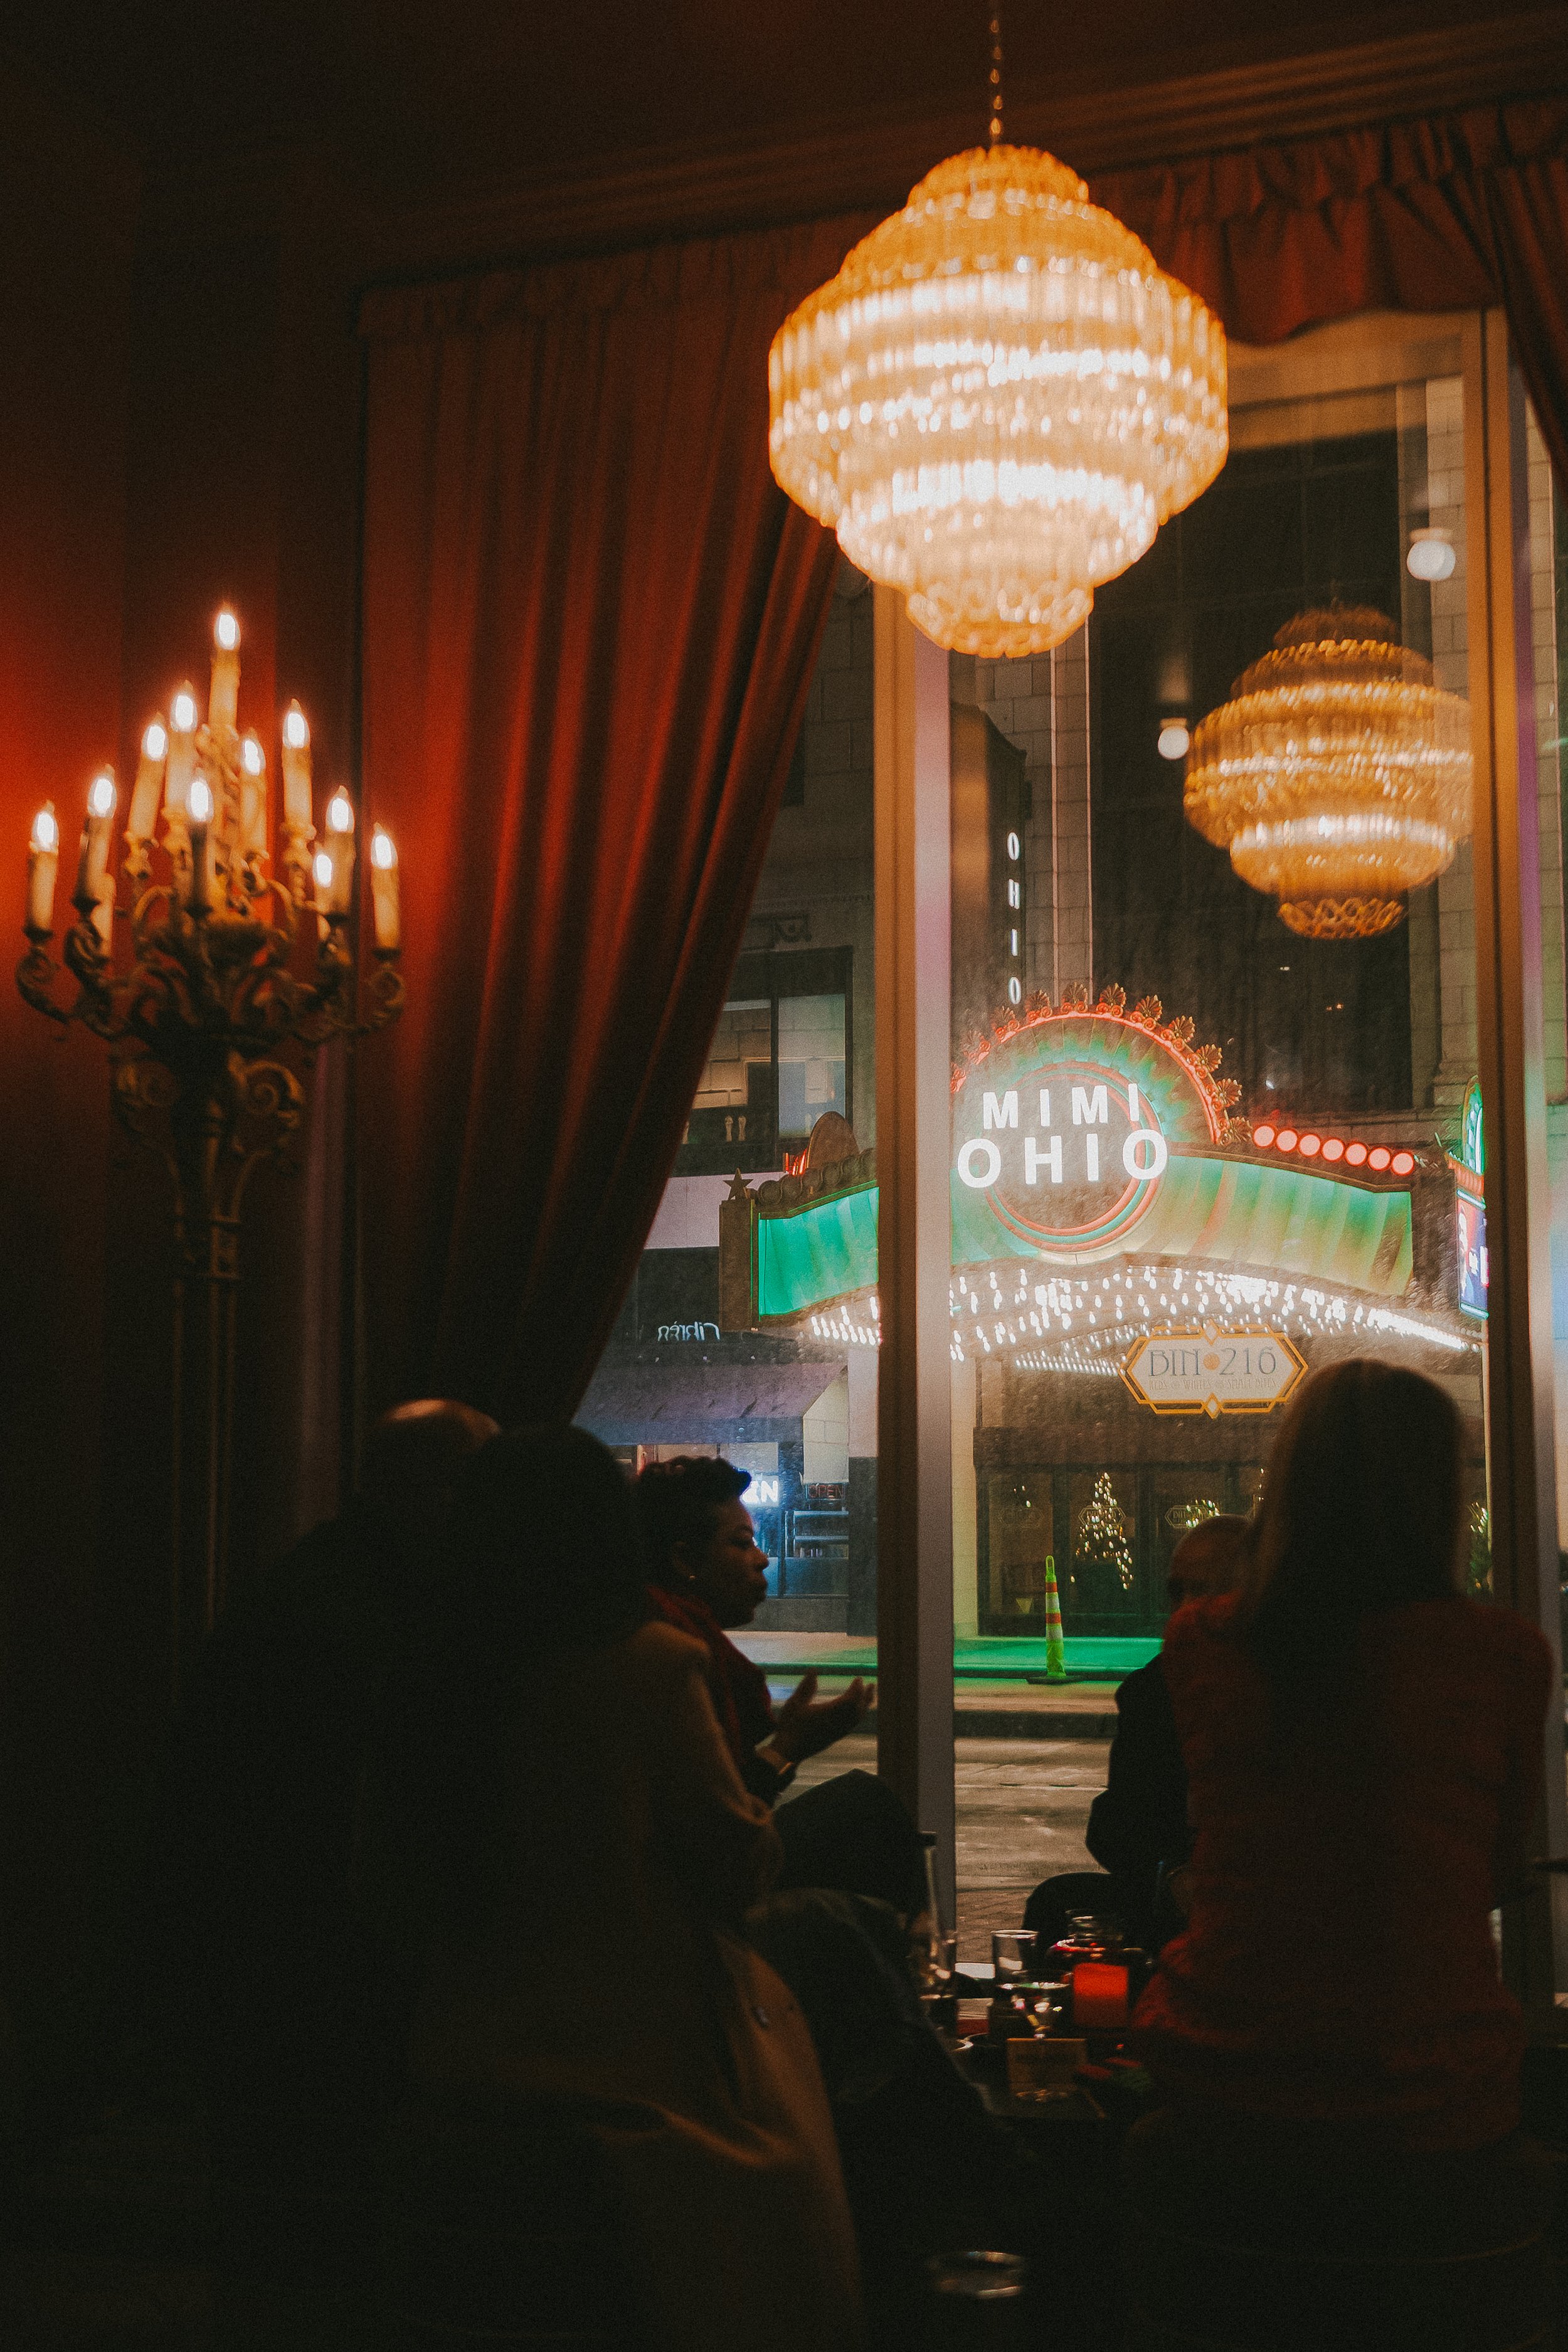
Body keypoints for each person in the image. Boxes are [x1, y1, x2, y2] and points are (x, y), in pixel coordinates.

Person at [366, 1424, 862, 2352]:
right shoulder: (650, 1665)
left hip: (456, 2037)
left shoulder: (429, 1673)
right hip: (631, 2050)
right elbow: (736, 1867)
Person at [1134, 1359, 1554, 2153]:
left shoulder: (1207, 1641)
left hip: (1222, 2067)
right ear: (1440, 1492)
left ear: (1288, 1485)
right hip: (1438, 2087)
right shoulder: (1505, 1655)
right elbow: (1496, 1872)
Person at [125, 1397, 499, 2167]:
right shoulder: (369, 1611)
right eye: (484, 1485)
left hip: (264, 1950)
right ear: (443, 1489)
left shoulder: (328, 1583)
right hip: (307, 1961)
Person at [635, 1455, 924, 1917]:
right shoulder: (673, 1656)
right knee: (866, 1807)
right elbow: (723, 1845)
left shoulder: (669, 1632)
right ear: (684, 1559)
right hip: (674, 1907)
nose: (762, 1558)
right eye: (742, 1542)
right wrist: (788, 1746)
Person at [1081, 1513, 1251, 1948]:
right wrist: (1173, 1878)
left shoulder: (1288, 1690)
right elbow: (1118, 1822)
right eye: (1177, 1592)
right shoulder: (1151, 1693)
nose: (1182, 1610)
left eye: (1201, 1590)